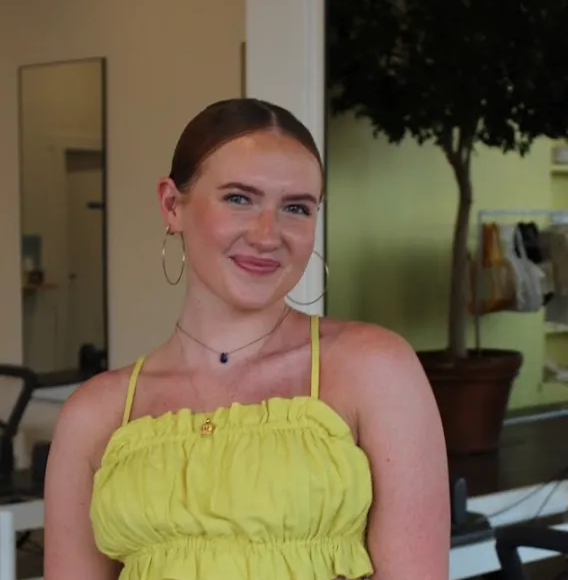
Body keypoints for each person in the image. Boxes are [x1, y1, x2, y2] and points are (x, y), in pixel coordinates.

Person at [44, 98, 450, 580]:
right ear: (172, 205)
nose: (267, 235)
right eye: (239, 198)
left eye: (296, 208)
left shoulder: (374, 368)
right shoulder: (95, 415)